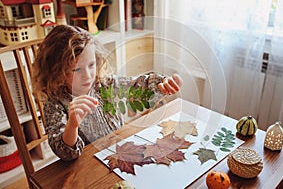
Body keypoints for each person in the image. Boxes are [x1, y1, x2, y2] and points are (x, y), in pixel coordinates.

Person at [32, 25, 182, 161]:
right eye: (77, 69)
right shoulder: (55, 103)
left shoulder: (103, 84)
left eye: (91, 65)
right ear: (57, 72)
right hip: (90, 165)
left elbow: (135, 86)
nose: (88, 75)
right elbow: (65, 153)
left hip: (120, 150)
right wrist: (73, 125)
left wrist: (163, 82)